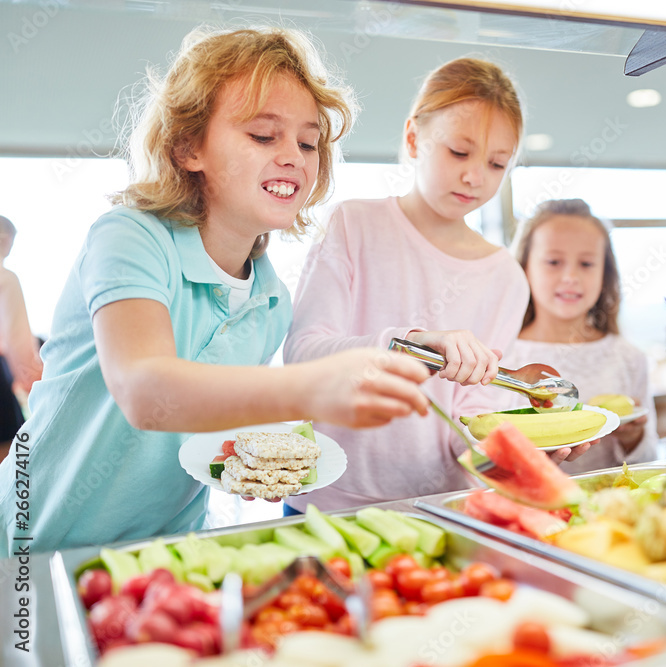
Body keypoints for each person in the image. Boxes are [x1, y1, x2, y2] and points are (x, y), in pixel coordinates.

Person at [0, 27, 432, 557]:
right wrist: (312, 388)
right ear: (188, 148)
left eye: (308, 141)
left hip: (165, 552)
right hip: (32, 542)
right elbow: (145, 391)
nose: (294, 156)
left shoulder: (272, 301)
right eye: (263, 135)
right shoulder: (130, 237)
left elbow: (204, 434)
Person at [283, 58, 590, 513]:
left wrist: (516, 454)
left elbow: (466, 421)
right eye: (459, 152)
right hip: (328, 502)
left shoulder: (505, 276)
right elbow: (302, 356)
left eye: (497, 163)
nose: (475, 176)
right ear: (413, 138)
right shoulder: (355, 224)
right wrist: (410, 346)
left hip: (442, 506)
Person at [503, 199, 658, 473]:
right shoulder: (496, 354)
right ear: (525, 267)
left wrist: (633, 438)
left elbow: (648, 461)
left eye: (586, 263)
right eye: (553, 261)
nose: (571, 276)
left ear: (604, 274)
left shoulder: (629, 358)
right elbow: (475, 460)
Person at [0, 216, 43, 463]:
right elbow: (17, 343)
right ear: (5, 240)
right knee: (12, 463)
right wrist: (35, 384)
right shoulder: (6, 278)